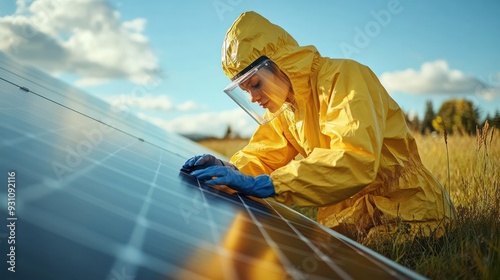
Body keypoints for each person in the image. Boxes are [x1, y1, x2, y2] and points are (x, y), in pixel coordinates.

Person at [182, 11, 456, 241]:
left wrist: (272, 184)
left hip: (410, 208)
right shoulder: (287, 107)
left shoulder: (344, 77)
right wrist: (231, 169)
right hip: (348, 217)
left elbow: (354, 158)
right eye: (245, 90)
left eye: (255, 84)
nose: (253, 97)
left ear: (279, 64)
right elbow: (264, 154)